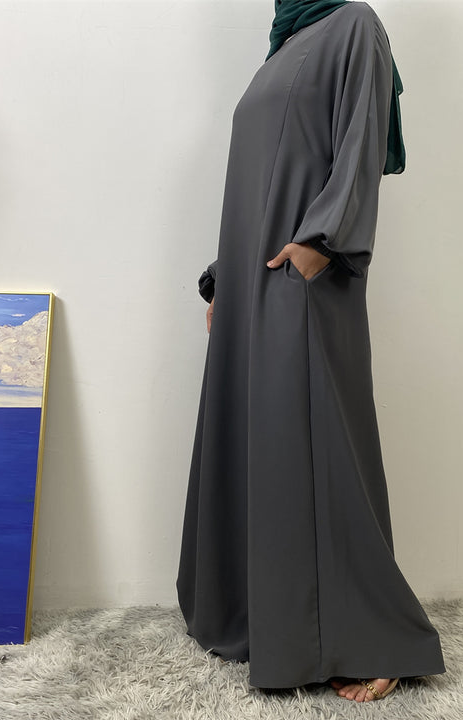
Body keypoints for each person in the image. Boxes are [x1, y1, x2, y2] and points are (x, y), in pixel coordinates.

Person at [176, 0, 446, 702]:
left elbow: (359, 141)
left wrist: (321, 243)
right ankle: (274, 621)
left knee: (321, 446)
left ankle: (373, 639)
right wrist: (226, 280)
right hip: (254, 285)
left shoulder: (353, 24)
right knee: (268, 445)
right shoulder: (285, 44)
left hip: (304, 279)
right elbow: (263, 177)